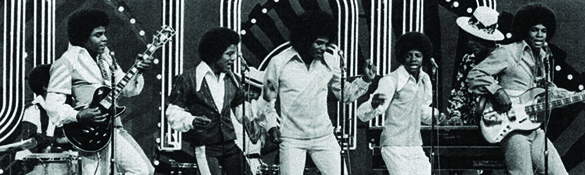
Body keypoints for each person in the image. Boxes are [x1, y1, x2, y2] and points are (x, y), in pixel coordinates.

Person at [259, 10, 374, 175]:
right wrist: (271, 127)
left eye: (326, 44)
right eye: (319, 43)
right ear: (305, 39)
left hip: (324, 136)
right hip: (292, 139)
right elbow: (266, 102)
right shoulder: (279, 62)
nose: (324, 48)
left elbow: (344, 95)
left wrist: (365, 79)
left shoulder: (330, 61)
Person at [466, 3, 573, 175]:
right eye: (534, 30)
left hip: (534, 127)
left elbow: (546, 89)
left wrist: (575, 95)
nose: (540, 35)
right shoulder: (508, 52)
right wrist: (498, 91)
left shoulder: (543, 58)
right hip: (512, 128)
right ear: (525, 30)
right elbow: (475, 74)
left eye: (543, 31)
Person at [45, 9, 155, 175]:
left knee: (144, 169)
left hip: (114, 128)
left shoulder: (106, 58)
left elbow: (127, 90)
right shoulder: (67, 62)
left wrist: (138, 71)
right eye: (98, 35)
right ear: (83, 36)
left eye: (104, 33)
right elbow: (52, 104)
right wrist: (78, 115)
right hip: (88, 133)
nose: (105, 38)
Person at [165, 27, 253, 175]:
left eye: (235, 54)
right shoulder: (189, 79)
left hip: (230, 146)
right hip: (206, 148)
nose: (233, 58)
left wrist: (251, 121)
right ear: (215, 53)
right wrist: (191, 120)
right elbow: (172, 111)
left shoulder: (233, 79)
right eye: (229, 54)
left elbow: (240, 109)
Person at [356, 32, 443, 175]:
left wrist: (436, 116)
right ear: (402, 56)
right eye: (408, 55)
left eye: (417, 55)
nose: (413, 59)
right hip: (394, 145)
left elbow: (421, 109)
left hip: (415, 145)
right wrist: (373, 104)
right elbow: (362, 114)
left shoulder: (424, 79)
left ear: (424, 57)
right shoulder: (390, 80)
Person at [446, 6, 505, 125]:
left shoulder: (504, 59)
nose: (470, 43)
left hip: (499, 126)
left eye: (476, 39)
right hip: (470, 126)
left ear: (488, 39)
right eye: (469, 37)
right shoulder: (468, 60)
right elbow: (459, 93)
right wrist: (456, 115)